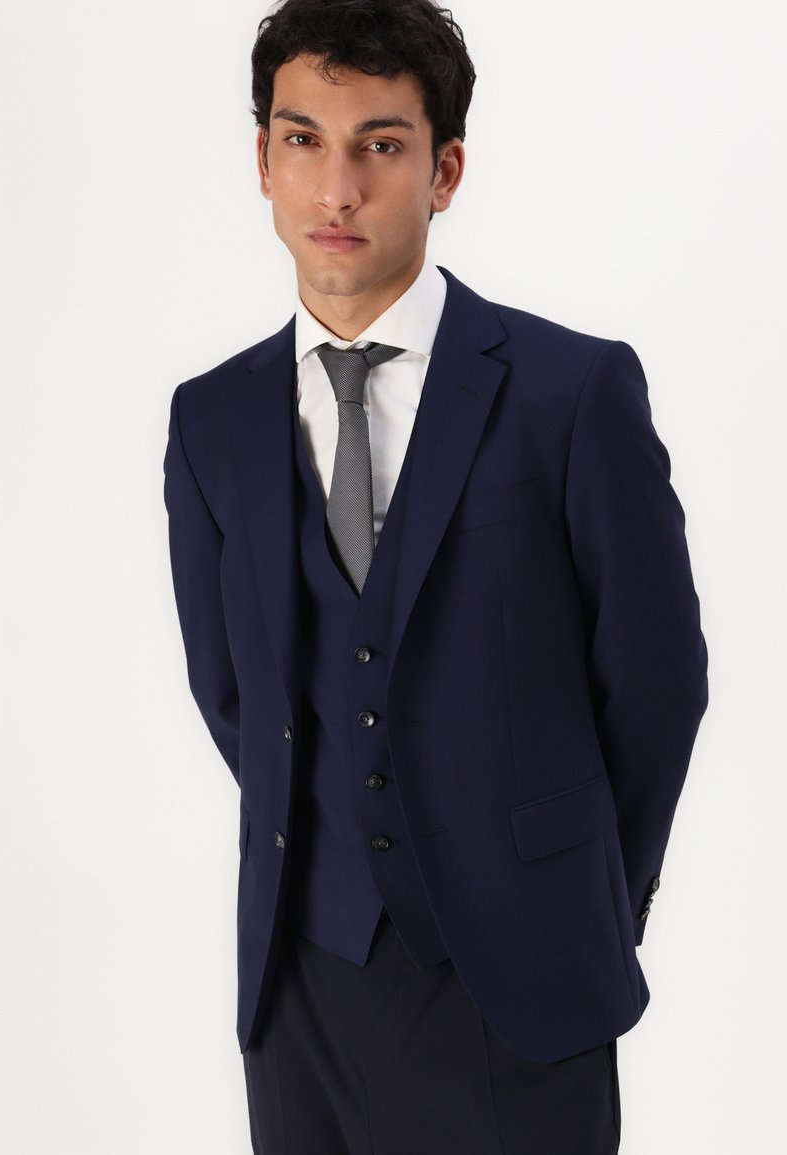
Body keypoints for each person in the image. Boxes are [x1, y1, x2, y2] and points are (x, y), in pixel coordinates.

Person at [163, 1, 708, 1151]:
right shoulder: (210, 419)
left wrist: (577, 900)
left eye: (380, 144)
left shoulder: (570, 394)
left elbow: (656, 686)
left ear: (443, 169)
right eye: (302, 140)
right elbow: (233, 695)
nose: (336, 190)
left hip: (519, 984)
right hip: (302, 983)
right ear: (262, 161)